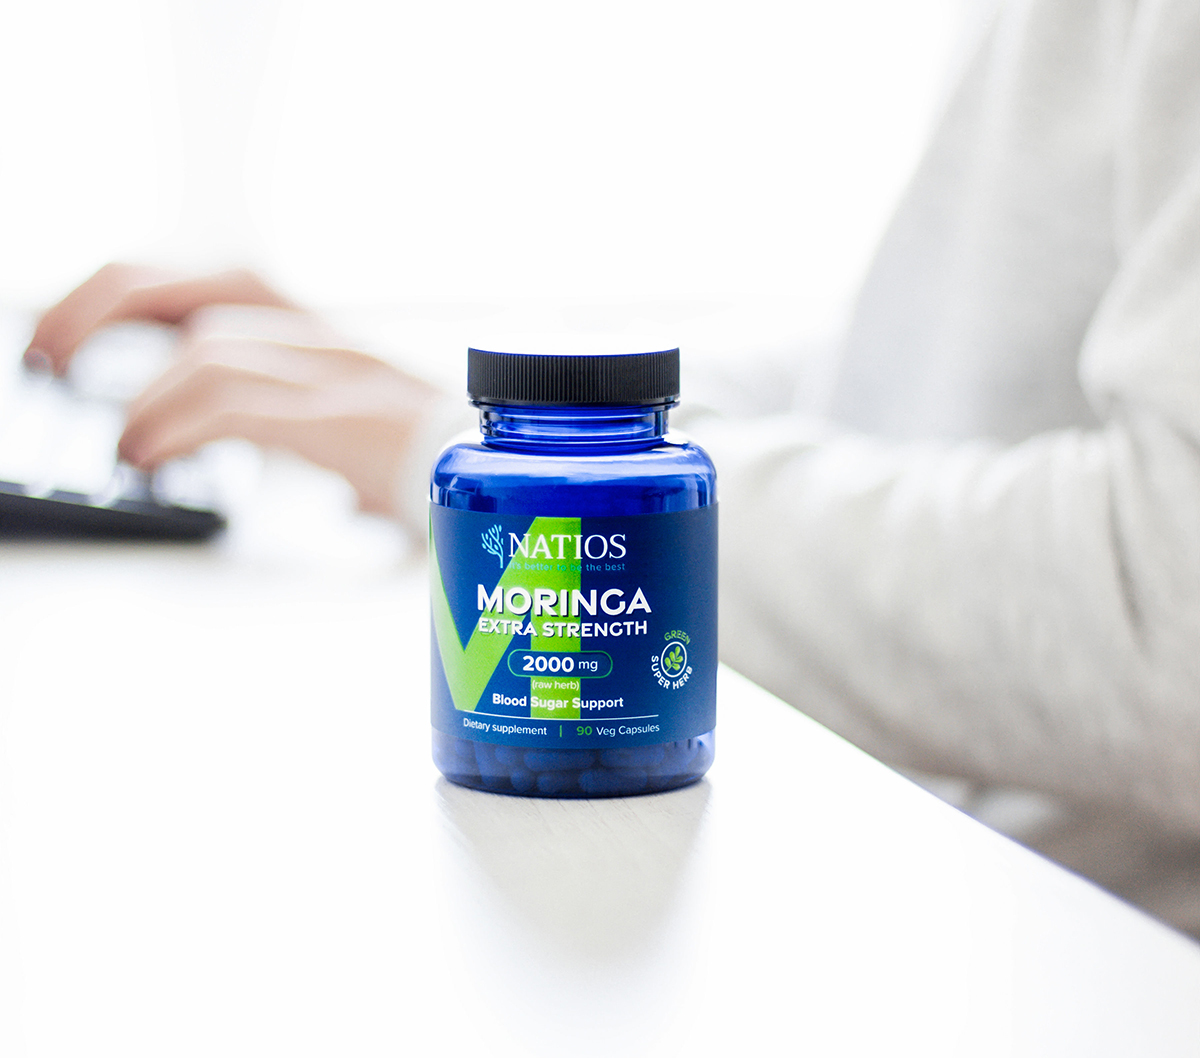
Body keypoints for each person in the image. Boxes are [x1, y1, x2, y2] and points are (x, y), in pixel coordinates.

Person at [25, 0, 1200, 938]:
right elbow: (918, 367)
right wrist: (424, 402)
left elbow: (1176, 614)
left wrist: (428, 437)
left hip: (1087, 943)